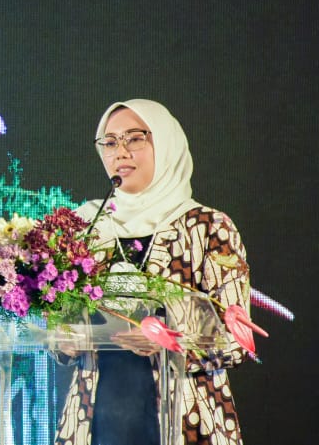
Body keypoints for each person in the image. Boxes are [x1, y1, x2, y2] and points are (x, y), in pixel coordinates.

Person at [55, 99, 251, 445]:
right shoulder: (83, 229)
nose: (121, 152)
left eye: (134, 138)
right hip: (97, 420)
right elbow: (60, 332)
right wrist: (63, 339)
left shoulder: (208, 228)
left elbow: (237, 341)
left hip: (187, 420)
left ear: (165, 142)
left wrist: (170, 341)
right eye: (110, 142)